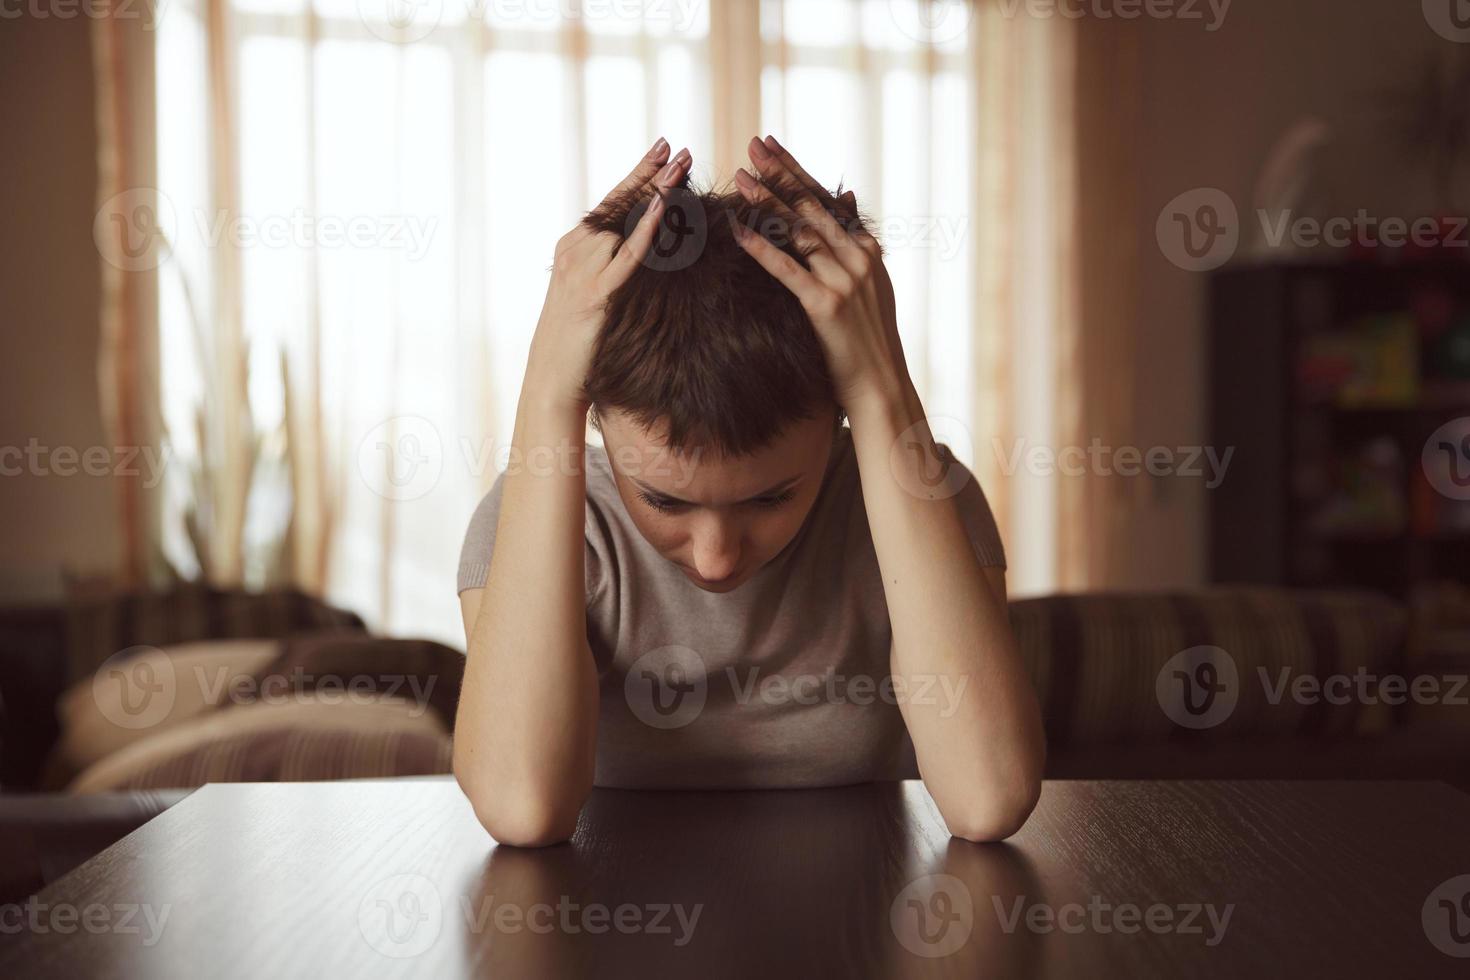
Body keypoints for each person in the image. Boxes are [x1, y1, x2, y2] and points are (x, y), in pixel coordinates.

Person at [454, 135, 1044, 846]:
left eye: (770, 497)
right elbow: (523, 806)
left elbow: (990, 796)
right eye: (666, 500)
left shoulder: (918, 493)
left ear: (837, 422)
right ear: (599, 425)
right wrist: (549, 392)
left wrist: (881, 384)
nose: (715, 560)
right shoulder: (543, 517)